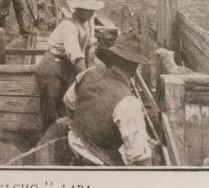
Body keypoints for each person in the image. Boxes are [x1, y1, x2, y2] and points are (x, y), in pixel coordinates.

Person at [63, 34, 155, 166]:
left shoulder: (88, 74)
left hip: (74, 145)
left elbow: (68, 101)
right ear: (135, 66)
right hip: (98, 162)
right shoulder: (128, 102)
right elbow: (139, 157)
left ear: (113, 58)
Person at [36, 0, 103, 125]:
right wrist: (87, 82)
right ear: (78, 9)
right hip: (52, 66)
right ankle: (48, 135)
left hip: (68, 64)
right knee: (52, 103)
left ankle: (66, 133)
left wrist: (91, 74)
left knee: (67, 102)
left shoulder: (88, 21)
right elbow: (78, 58)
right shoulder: (68, 26)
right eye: (87, 9)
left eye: (92, 9)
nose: (91, 12)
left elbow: (90, 48)